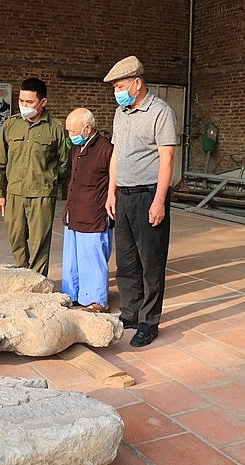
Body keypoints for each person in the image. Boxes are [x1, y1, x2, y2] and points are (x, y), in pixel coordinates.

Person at [103, 56, 178, 347]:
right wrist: (111, 191)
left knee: (151, 262)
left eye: (120, 86)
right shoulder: (120, 112)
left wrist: (159, 200)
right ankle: (131, 312)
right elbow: (116, 155)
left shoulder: (161, 112)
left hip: (148, 194)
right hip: (123, 195)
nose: (116, 92)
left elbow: (167, 159)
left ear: (137, 83)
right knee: (126, 261)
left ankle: (149, 320)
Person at [0, 77, 70, 277]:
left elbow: (64, 163)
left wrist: (49, 181)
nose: (23, 106)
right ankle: (22, 275)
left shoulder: (56, 128)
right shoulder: (11, 125)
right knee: (16, 239)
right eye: (21, 101)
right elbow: (0, 161)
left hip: (42, 195)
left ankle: (37, 283)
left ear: (43, 102)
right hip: (14, 194)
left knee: (39, 243)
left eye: (29, 102)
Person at [61, 108, 113, 313]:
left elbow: (114, 182)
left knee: (92, 257)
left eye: (73, 131)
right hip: (74, 211)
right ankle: (72, 294)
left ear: (88, 128)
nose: (70, 136)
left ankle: (97, 300)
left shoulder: (105, 149)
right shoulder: (77, 148)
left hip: (94, 213)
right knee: (72, 259)